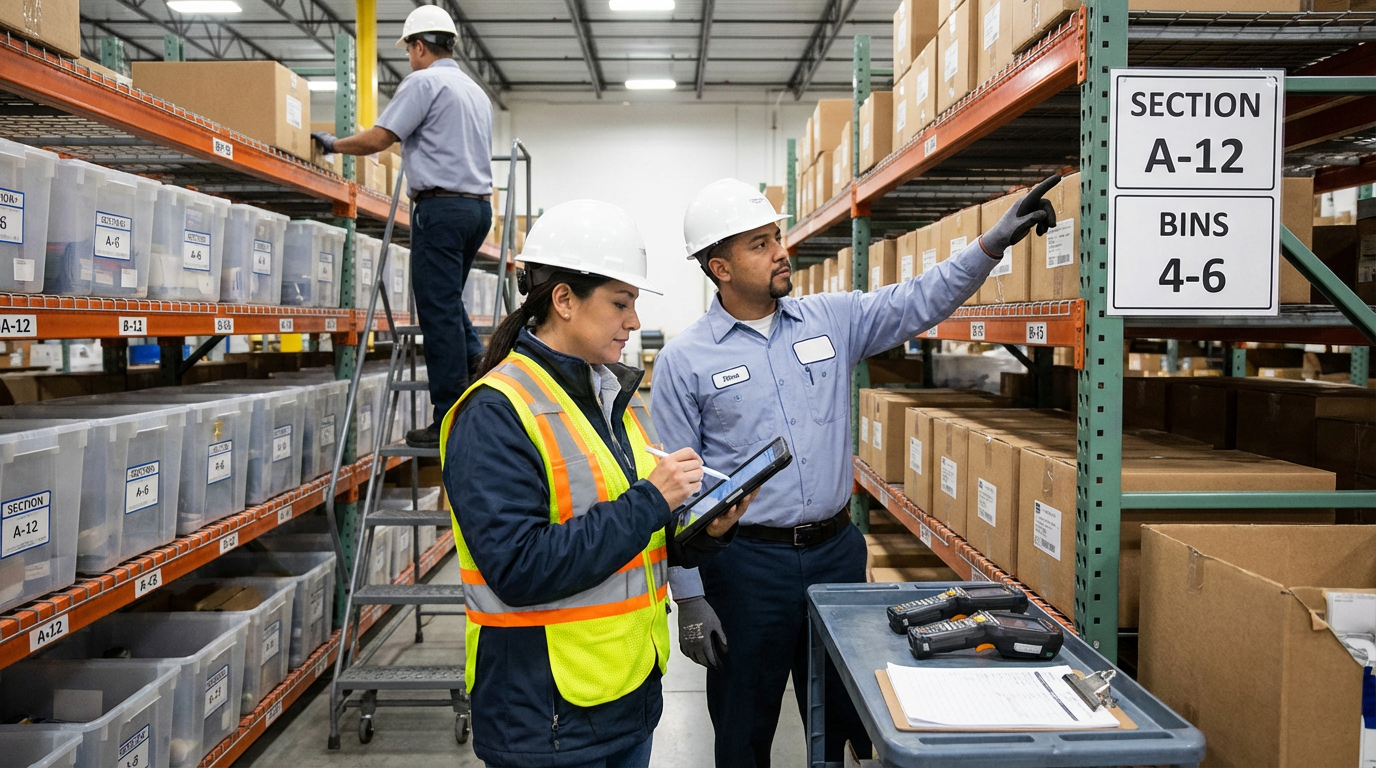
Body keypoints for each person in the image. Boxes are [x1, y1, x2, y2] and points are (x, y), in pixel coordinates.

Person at [650, 175, 1061, 766]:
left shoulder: (831, 320)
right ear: (720, 267)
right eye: (760, 245)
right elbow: (679, 490)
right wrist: (688, 597)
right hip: (742, 567)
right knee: (743, 723)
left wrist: (990, 244)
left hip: (834, 553)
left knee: (844, 716)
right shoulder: (686, 360)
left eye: (776, 237)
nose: (779, 252)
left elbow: (921, 296)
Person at [441, 199, 758, 768]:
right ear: (564, 300)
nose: (633, 321)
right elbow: (518, 567)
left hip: (623, 699)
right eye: (621, 302)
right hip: (546, 716)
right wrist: (652, 499)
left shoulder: (605, 399)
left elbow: (634, 541)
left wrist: (705, 532)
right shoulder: (496, 412)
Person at [312, 4, 493, 448]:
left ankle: (447, 417)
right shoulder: (474, 91)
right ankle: (477, 364)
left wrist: (334, 144)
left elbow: (380, 138)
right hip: (477, 211)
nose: (409, 57)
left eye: (409, 49)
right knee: (447, 303)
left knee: (436, 312)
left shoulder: (424, 81)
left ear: (418, 46)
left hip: (442, 210)